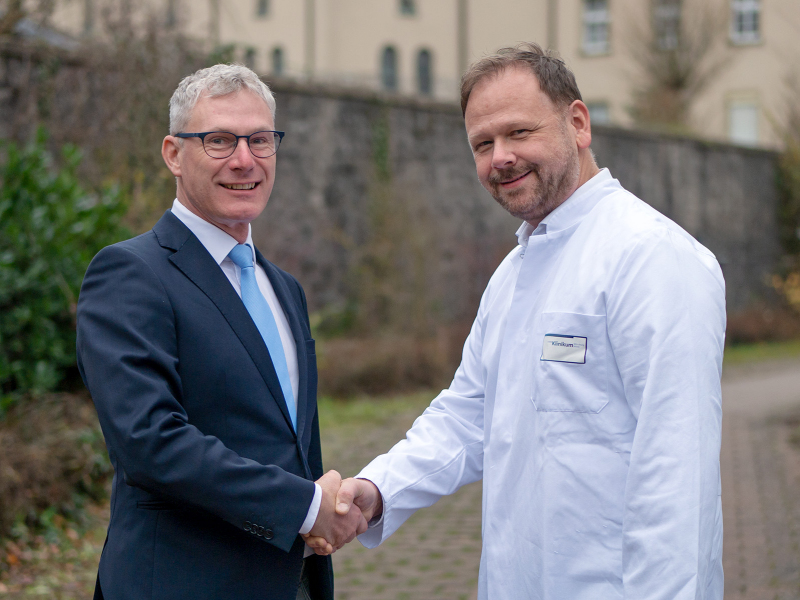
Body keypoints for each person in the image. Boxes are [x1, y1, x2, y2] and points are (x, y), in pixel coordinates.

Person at [305, 43, 726, 599]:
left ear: (578, 124)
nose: (499, 157)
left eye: (519, 133)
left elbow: (678, 480)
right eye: (483, 144)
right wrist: (378, 488)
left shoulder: (652, 258)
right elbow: (469, 416)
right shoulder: (513, 273)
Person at [76, 64, 366, 600]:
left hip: (291, 582)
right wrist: (304, 507)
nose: (244, 159)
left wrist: (321, 515)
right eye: (218, 140)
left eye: (260, 139)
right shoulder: (130, 273)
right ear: (173, 154)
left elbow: (290, 443)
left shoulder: (286, 289)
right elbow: (149, 442)